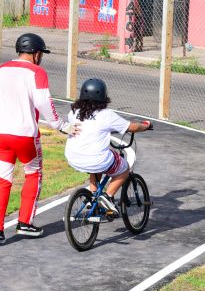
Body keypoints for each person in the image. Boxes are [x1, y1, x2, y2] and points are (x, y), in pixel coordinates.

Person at [0, 33, 77, 245]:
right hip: (25, 133)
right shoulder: (37, 72)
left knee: (2, 179)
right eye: (41, 54)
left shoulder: (0, 70)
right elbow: (45, 103)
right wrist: (62, 126)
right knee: (33, 173)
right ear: (36, 54)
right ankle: (25, 222)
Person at [64, 78, 152, 216]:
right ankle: (108, 196)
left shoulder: (74, 112)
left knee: (98, 162)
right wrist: (146, 126)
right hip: (96, 159)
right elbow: (132, 127)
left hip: (73, 157)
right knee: (124, 168)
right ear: (103, 97)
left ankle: (92, 198)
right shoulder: (107, 115)